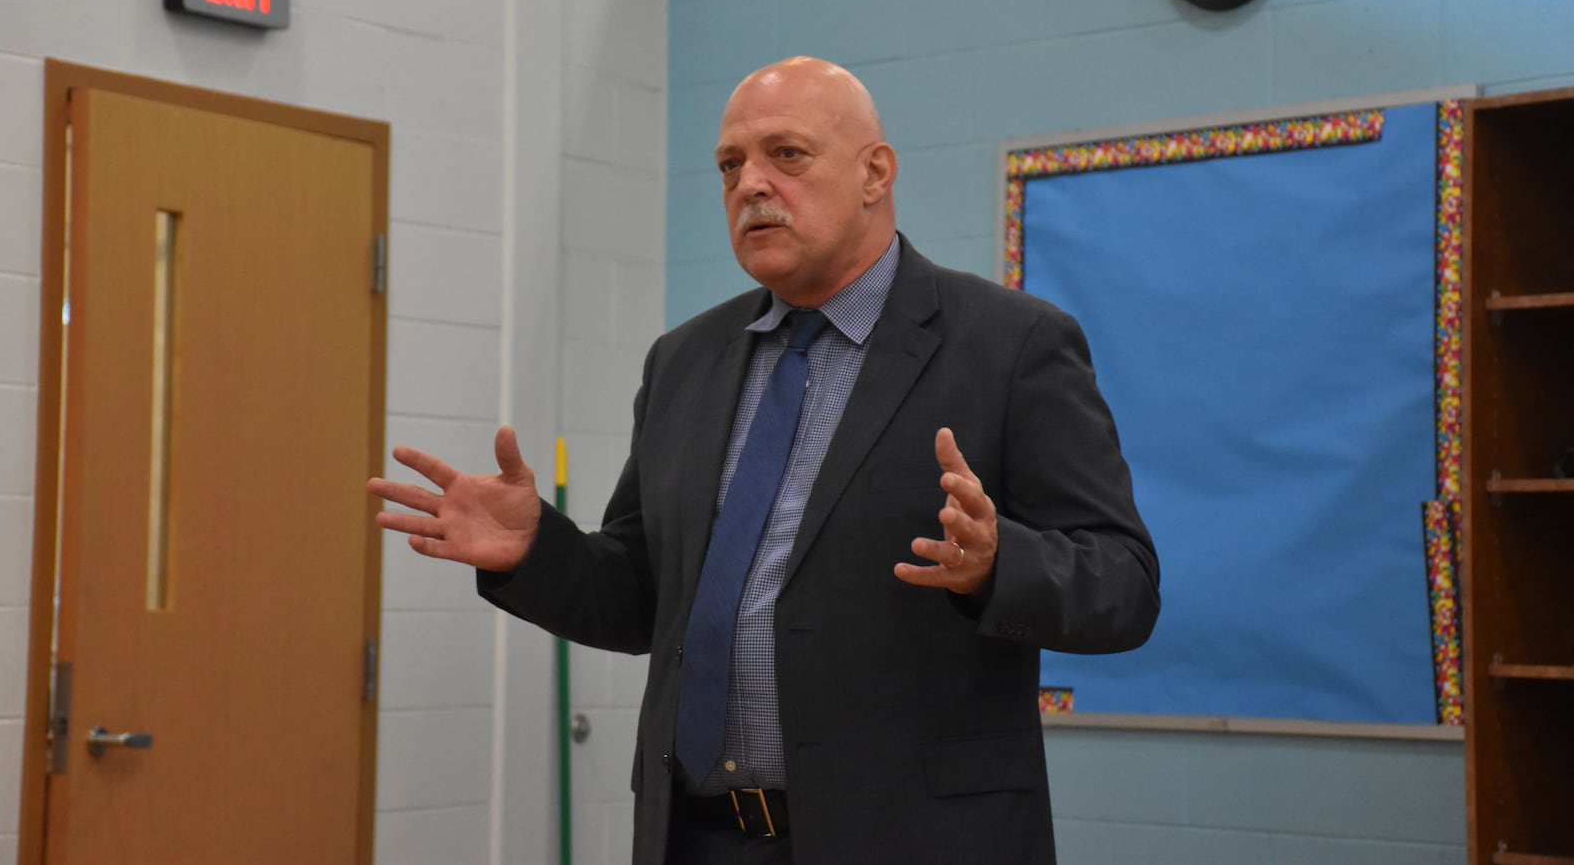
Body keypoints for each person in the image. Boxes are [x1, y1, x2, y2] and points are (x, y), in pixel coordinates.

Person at [370, 56, 1159, 865]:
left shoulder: (1010, 345)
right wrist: (538, 549)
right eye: (729, 165)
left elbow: (1125, 584)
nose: (751, 183)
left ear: (874, 173)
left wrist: (998, 566)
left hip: (913, 837)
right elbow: (643, 597)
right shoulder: (684, 360)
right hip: (696, 838)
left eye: (787, 155)